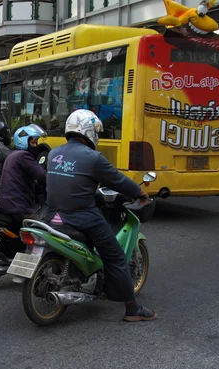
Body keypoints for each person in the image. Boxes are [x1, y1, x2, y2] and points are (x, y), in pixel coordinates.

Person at [45, 109, 156, 322]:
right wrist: (139, 191)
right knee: (115, 256)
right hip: (81, 217)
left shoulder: (53, 153)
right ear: (89, 131)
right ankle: (132, 308)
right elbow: (117, 180)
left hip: (51, 215)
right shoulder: (93, 158)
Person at [0, 124, 47, 228]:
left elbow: (20, 180)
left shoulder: (12, 155)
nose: (35, 146)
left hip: (6, 204)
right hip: (19, 207)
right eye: (33, 142)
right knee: (43, 232)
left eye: (36, 142)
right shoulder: (23, 156)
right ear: (23, 141)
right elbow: (42, 176)